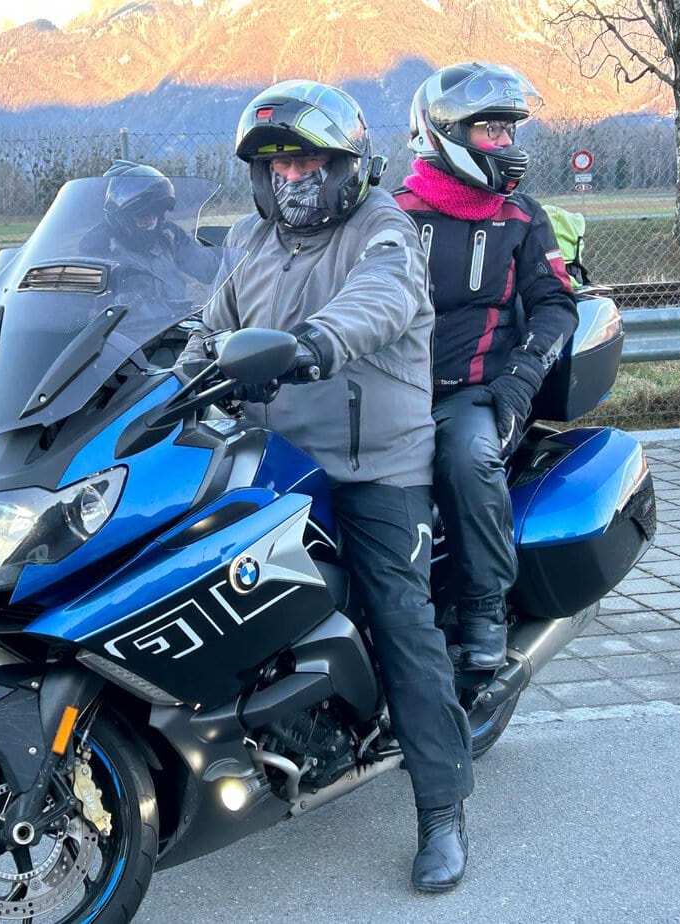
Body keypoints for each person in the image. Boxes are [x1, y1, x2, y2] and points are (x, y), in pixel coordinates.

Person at [178, 80, 473, 893]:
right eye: (277, 166)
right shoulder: (251, 239)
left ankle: (442, 810)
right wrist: (168, 382)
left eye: (307, 163)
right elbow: (213, 327)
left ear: (346, 166)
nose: (291, 179)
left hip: (373, 463)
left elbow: (380, 300)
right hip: (272, 459)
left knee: (402, 618)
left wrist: (314, 343)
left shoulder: (384, 227)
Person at [394, 63, 579, 670]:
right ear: (445, 133)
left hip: (473, 394)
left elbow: (556, 305)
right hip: (388, 392)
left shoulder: (521, 216)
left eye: (508, 130)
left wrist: (520, 378)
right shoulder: (392, 213)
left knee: (469, 460)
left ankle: (483, 608)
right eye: (489, 130)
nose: (505, 143)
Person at [81, 160, 220, 299]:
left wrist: (227, 258)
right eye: (142, 215)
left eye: (154, 213)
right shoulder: (100, 244)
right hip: (125, 314)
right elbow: (83, 301)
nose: (150, 220)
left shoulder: (169, 235)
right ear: (123, 216)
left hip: (176, 312)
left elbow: (210, 271)